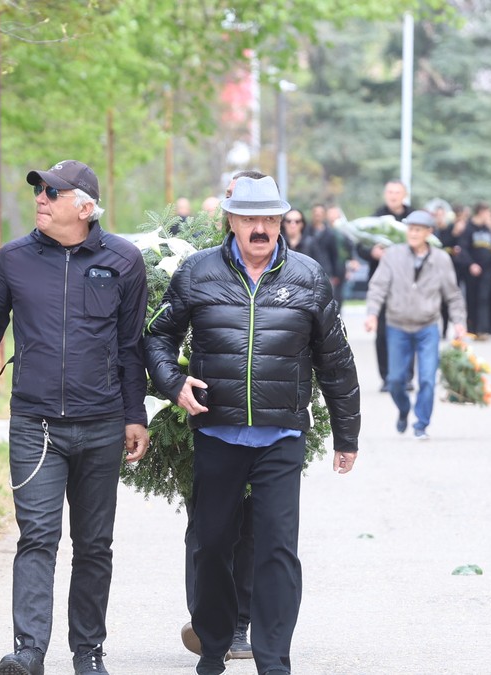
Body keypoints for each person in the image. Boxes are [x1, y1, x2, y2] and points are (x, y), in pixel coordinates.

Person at [0, 160, 148, 675]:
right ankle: (29, 651)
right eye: (39, 191)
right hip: (36, 425)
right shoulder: (14, 259)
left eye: (52, 192)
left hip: (101, 425)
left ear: (84, 205)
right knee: (37, 537)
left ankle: (88, 652)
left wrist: (134, 415)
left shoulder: (124, 261)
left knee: (94, 544)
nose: (40, 199)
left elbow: (132, 346)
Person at [144, 175, 361, 675]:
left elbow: (337, 362)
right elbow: (158, 338)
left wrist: (347, 437)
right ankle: (214, 649)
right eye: (250, 219)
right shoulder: (198, 273)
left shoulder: (307, 276)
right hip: (217, 433)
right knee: (211, 546)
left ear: (283, 220)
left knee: (277, 552)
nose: (260, 228)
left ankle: (273, 661)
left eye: (269, 218)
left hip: (280, 438)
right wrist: (173, 383)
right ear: (232, 221)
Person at [178, 170, 266, 663]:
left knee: (254, 526)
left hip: (265, 422)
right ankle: (207, 618)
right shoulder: (193, 261)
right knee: (208, 528)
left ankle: (240, 624)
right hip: (208, 417)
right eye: (235, 200)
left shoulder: (279, 262)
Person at [364, 210, 467, 440]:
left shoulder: (441, 259)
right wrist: (372, 314)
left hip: (427, 327)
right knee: (395, 380)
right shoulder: (393, 255)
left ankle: (421, 424)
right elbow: (378, 286)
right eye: (410, 228)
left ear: (429, 233)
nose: (413, 233)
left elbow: (453, 294)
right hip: (397, 326)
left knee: (428, 379)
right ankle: (403, 410)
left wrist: (459, 322)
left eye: (418, 229)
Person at [364, 180, 415, 388]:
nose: (393, 196)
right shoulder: (376, 218)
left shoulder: (414, 218)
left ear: (404, 195)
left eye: (397, 192)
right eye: (390, 192)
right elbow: (360, 245)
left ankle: (407, 376)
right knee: (383, 331)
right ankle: (387, 377)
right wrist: (372, 252)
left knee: (410, 329)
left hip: (410, 283)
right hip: (383, 282)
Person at [456, 202, 491, 339]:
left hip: (487, 269)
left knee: (484, 298)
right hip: (472, 270)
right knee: (472, 299)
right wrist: (471, 264)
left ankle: (483, 329)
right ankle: (472, 329)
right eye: (487, 212)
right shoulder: (469, 228)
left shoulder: (488, 229)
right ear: (481, 212)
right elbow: (463, 248)